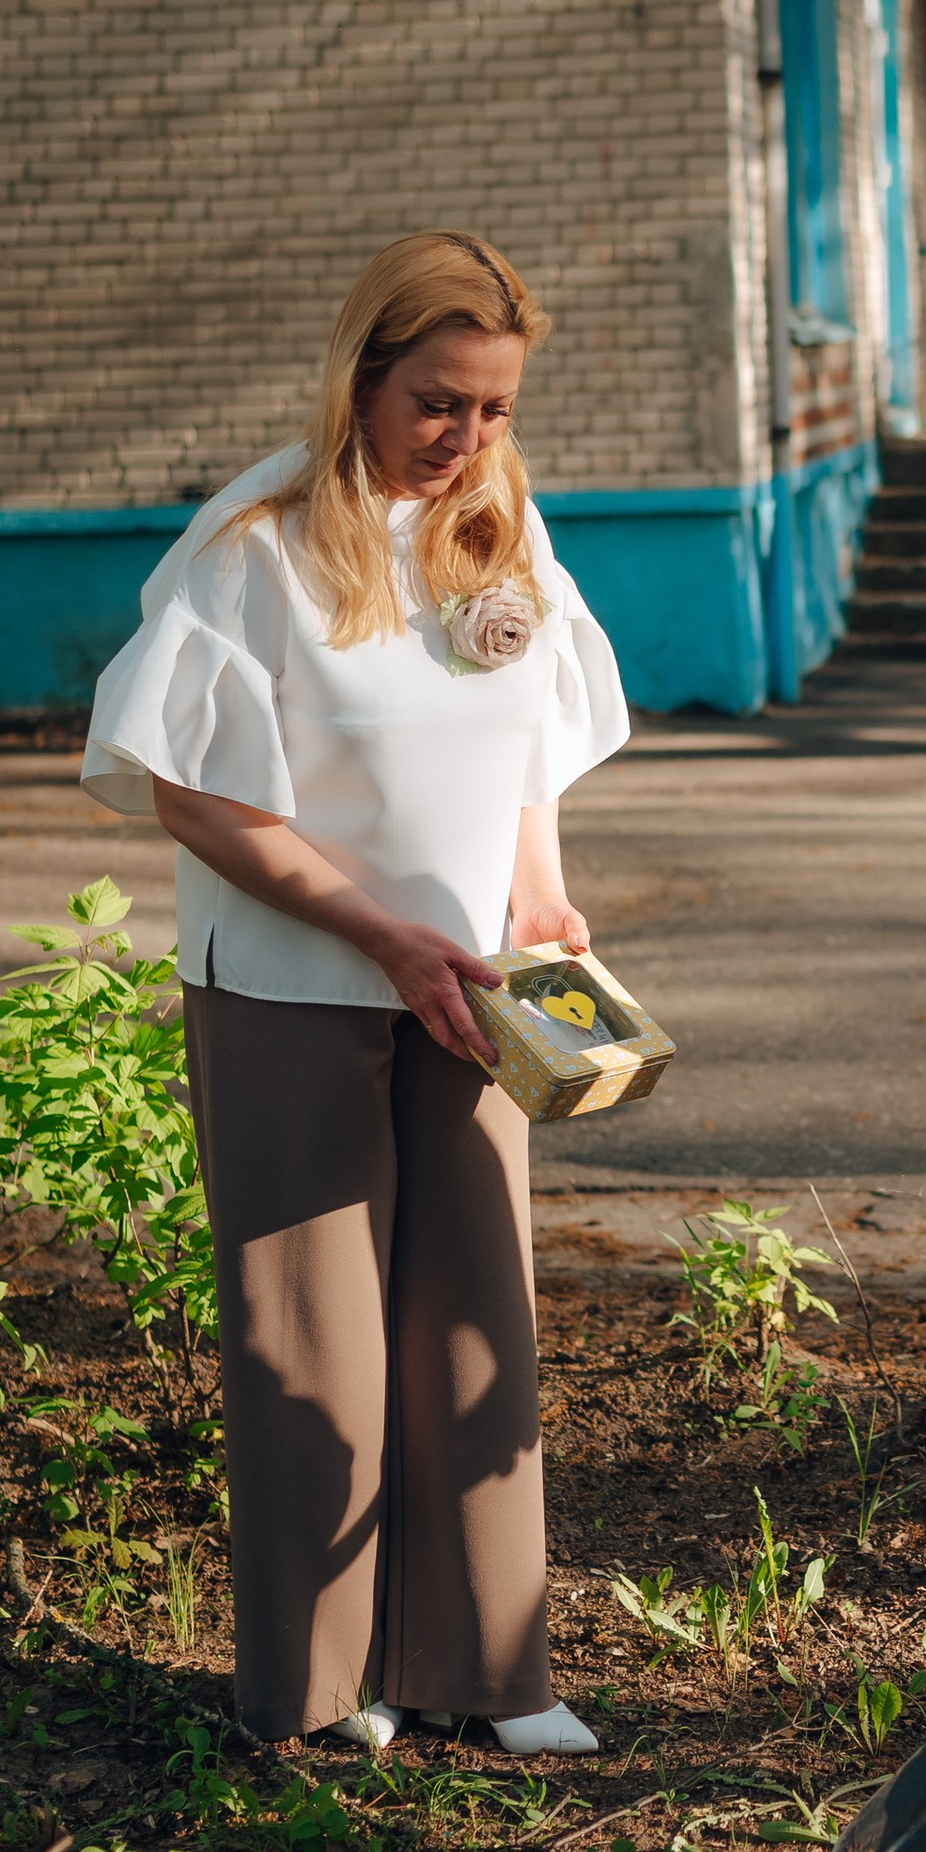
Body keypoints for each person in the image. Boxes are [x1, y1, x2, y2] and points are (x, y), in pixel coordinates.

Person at [82, 232, 628, 1763]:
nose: (467, 439)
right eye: (438, 403)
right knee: (312, 1340)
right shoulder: (252, 546)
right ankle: (326, 1690)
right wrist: (383, 936)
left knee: (480, 1319)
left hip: (470, 988)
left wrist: (537, 898)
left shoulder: (500, 530)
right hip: (294, 985)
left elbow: (528, 750)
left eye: (497, 408)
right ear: (363, 377)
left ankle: (494, 1671)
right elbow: (194, 798)